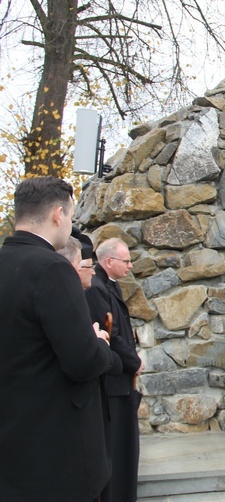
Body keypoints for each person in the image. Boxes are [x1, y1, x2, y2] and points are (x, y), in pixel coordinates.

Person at [0, 176, 113, 501]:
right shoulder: (52, 269)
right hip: (53, 452)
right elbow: (83, 361)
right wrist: (100, 345)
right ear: (58, 215)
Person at [86, 237, 144, 502]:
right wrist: (134, 362)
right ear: (108, 262)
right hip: (113, 383)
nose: (130, 266)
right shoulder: (97, 289)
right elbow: (113, 334)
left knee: (125, 446)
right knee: (118, 447)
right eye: (126, 260)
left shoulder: (108, 285)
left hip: (121, 380)